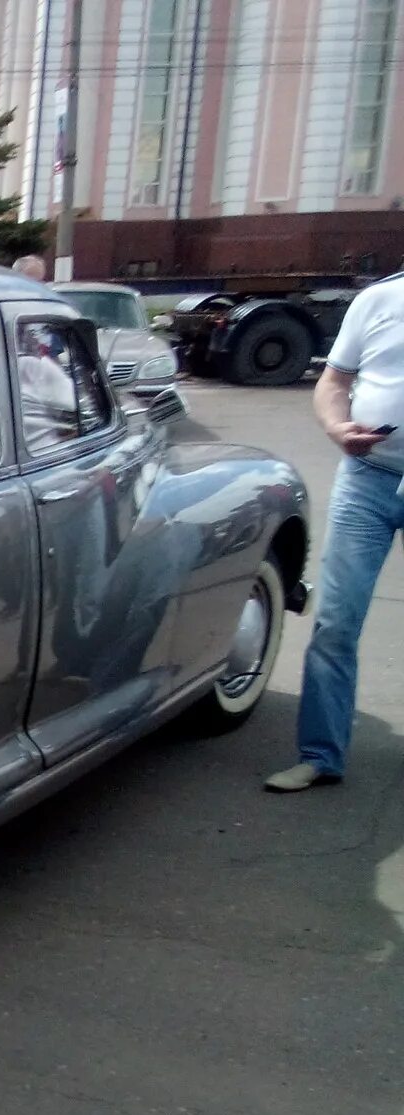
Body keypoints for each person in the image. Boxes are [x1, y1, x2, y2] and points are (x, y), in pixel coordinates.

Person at [265, 272, 404, 792]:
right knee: (335, 623)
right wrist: (336, 427)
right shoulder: (380, 299)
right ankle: (321, 755)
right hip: (367, 480)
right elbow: (335, 381)